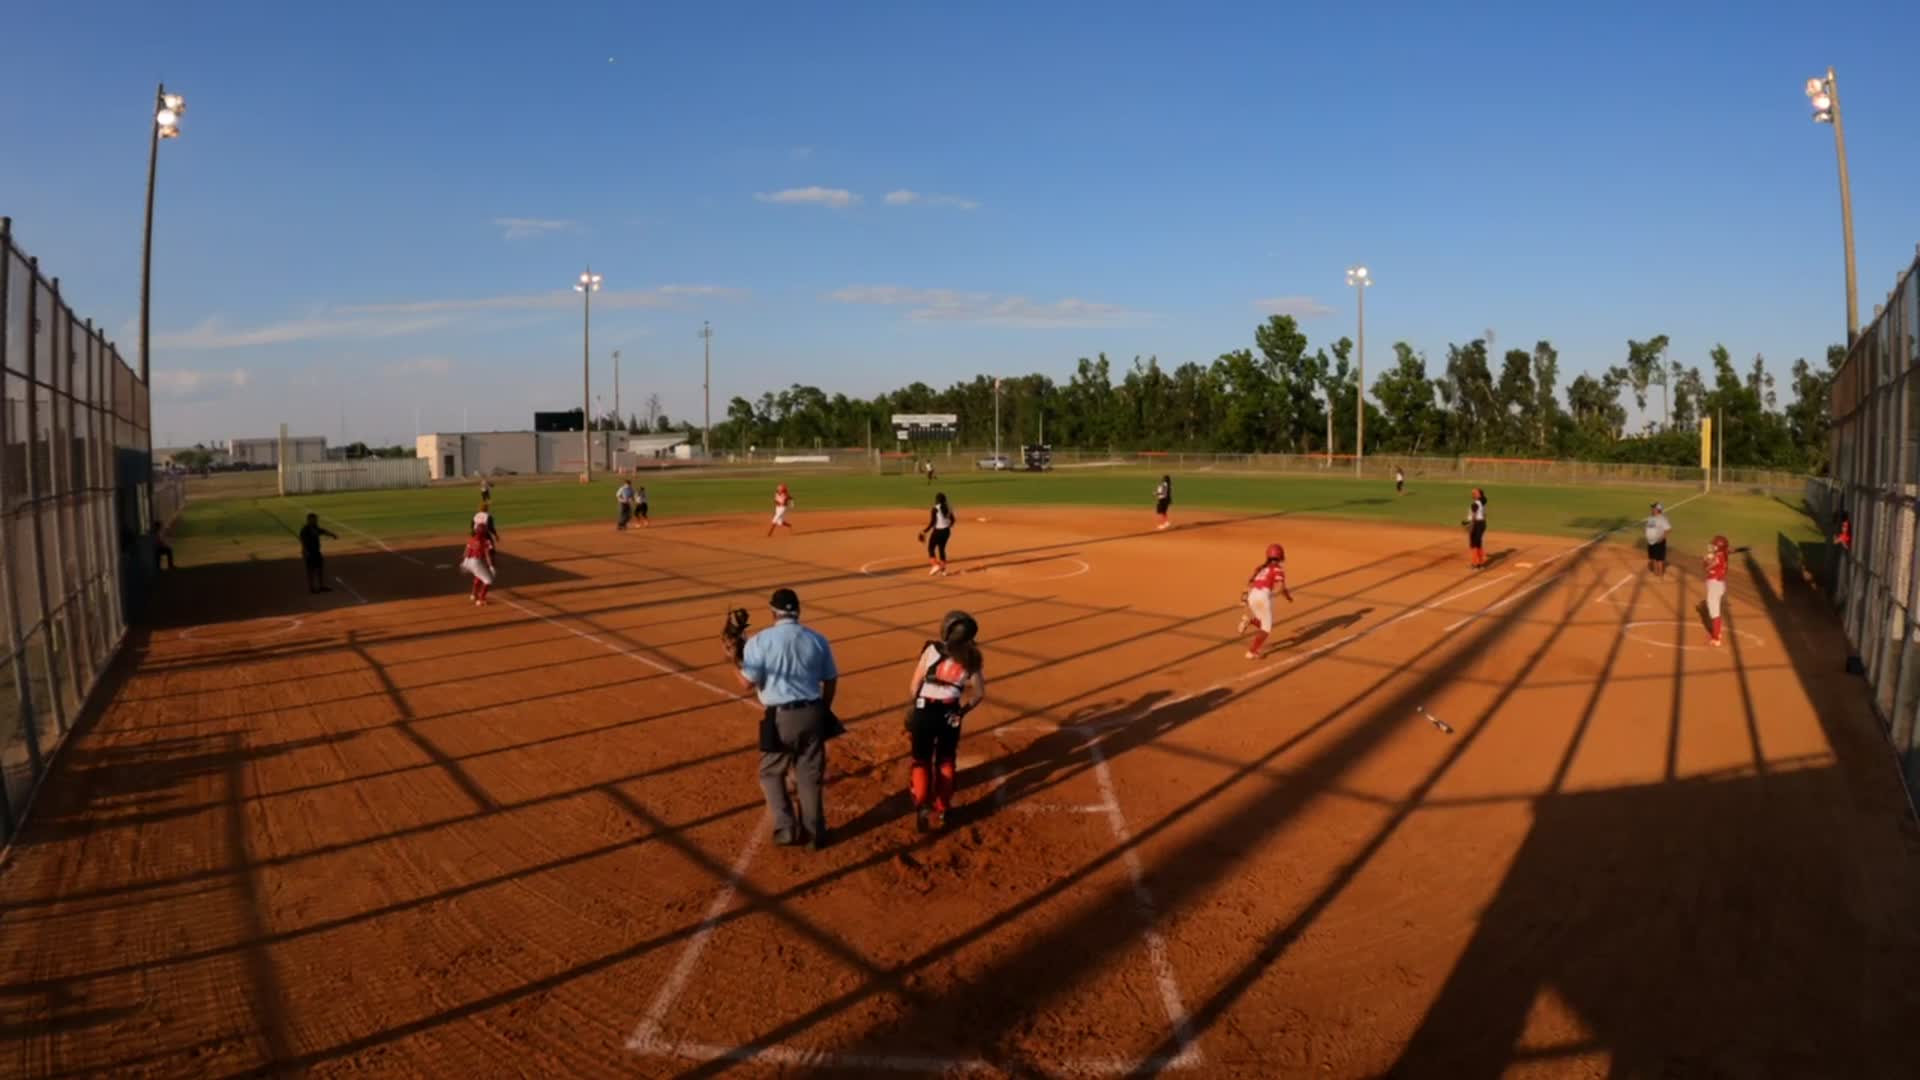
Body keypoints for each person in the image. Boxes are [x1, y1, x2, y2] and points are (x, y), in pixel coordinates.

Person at [732, 588, 840, 849]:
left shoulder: (760, 641)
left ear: (772, 612)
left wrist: (732, 660)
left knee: (770, 773)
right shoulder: (817, 639)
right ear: (798, 611)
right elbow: (831, 678)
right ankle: (814, 834)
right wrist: (823, 709)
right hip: (813, 711)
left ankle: (786, 827)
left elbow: (747, 683)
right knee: (809, 776)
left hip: (780, 718)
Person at [905, 611, 987, 832]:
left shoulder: (931, 650)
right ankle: (943, 807)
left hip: (924, 710)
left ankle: (922, 803)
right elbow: (978, 694)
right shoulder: (973, 658)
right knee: (946, 760)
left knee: (921, 760)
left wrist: (915, 709)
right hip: (950, 713)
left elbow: (914, 688)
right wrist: (961, 712)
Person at [1236, 542, 1295, 659]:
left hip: (1252, 595)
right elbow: (1282, 588)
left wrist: (1244, 599)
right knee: (1266, 628)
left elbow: (1249, 583)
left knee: (1262, 621)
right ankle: (1252, 652)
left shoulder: (1261, 568)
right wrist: (1288, 598)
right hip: (1263, 596)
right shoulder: (1278, 569)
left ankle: (1250, 621)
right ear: (1281, 556)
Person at [299, 513, 337, 594]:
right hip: (310, 553)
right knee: (311, 570)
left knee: (320, 569)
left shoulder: (315, 528)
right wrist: (305, 551)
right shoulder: (305, 530)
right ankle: (311, 588)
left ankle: (321, 586)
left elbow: (323, 531)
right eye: (314, 519)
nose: (316, 520)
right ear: (309, 520)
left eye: (316, 519)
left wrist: (332, 535)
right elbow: (303, 542)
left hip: (317, 552)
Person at [919, 492, 956, 575]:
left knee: (931, 548)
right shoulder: (949, 507)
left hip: (937, 531)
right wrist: (948, 526)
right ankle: (943, 570)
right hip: (947, 532)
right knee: (942, 549)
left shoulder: (935, 509)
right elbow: (953, 520)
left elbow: (932, 522)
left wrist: (924, 531)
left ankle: (935, 565)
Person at [461, 522, 497, 606]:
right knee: (488, 581)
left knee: (479, 575)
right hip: (477, 562)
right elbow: (488, 555)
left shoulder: (471, 539)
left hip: (468, 562)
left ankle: (473, 595)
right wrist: (491, 566)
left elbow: (465, 553)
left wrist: (465, 563)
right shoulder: (486, 541)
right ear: (484, 532)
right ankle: (481, 600)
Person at [1704, 534, 1730, 647]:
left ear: (1718, 547)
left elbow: (1706, 567)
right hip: (1719, 584)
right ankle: (1717, 633)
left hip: (1715, 585)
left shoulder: (1717, 557)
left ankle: (1716, 638)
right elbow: (1723, 554)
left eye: (1715, 544)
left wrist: (1706, 559)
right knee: (1715, 610)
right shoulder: (1722, 554)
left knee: (1714, 613)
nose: (1712, 545)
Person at [1645, 502, 1672, 577]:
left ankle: (1660, 575)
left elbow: (1668, 529)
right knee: (1653, 557)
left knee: (1659, 559)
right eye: (1652, 508)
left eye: (1653, 508)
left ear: (1658, 509)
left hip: (1659, 541)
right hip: (1651, 541)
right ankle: (1655, 573)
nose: (1652, 509)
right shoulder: (1650, 518)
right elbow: (1648, 528)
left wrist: (1662, 538)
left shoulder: (1662, 519)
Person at [1464, 488, 1489, 570]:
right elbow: (1485, 514)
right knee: (1478, 543)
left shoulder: (1475, 504)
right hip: (1482, 524)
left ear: (1479, 495)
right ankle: (1480, 564)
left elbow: (1473, 516)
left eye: (1475, 493)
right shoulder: (1483, 502)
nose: (1473, 494)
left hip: (1477, 524)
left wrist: (1471, 524)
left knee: (1474, 544)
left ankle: (1475, 564)